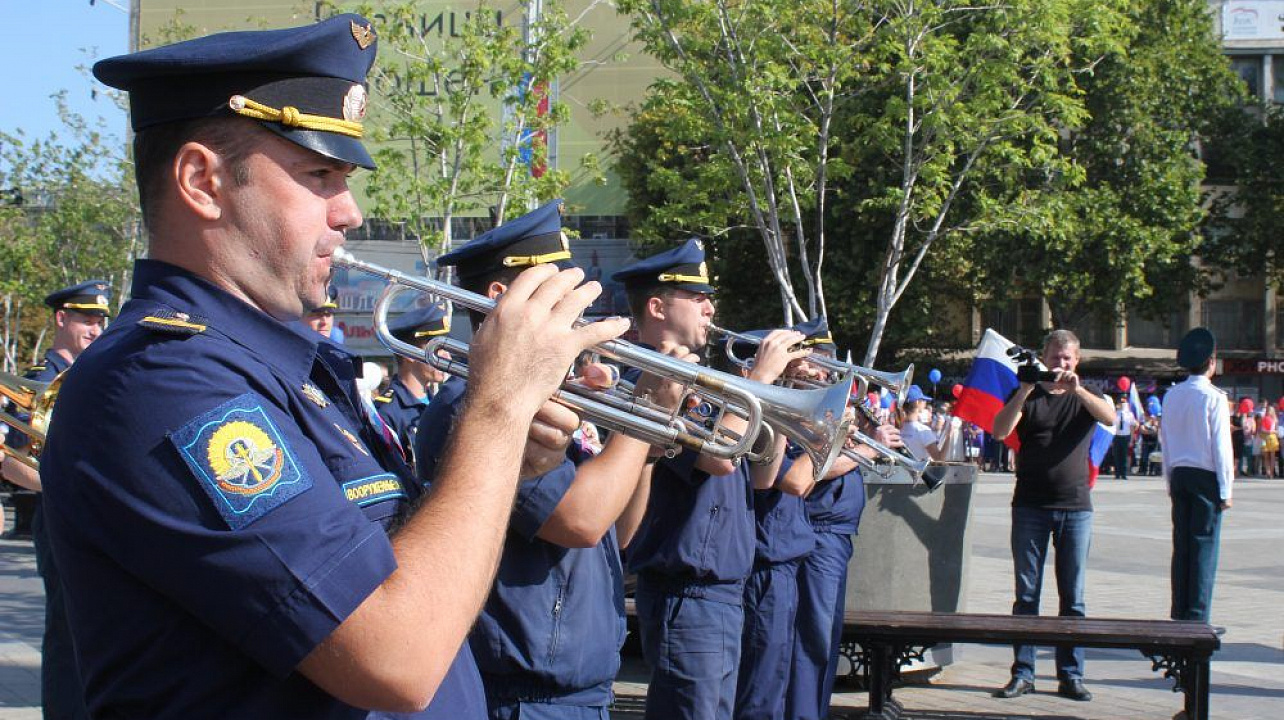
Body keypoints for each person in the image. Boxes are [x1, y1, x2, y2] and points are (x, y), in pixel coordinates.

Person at [42, 16, 629, 719]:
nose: (349, 211)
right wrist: (497, 411)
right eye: (319, 174)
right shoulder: (159, 381)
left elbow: (389, 563)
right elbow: (396, 658)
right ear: (202, 181)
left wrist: (507, 464)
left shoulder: (291, 368)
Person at [412, 199, 690, 720]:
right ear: (503, 296)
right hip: (523, 697)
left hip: (579, 690)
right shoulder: (470, 406)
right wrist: (643, 412)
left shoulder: (550, 398)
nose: (578, 309)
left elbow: (617, 531)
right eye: (560, 291)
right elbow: (579, 521)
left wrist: (648, 444)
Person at [613, 239, 800, 720]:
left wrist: (776, 403)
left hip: (723, 589)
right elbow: (718, 457)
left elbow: (763, 476)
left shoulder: (701, 378)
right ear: (657, 306)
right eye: (698, 299)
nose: (710, 308)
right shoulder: (648, 381)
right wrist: (759, 379)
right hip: (686, 591)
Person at [781, 319, 902, 720]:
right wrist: (868, 451)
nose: (821, 370)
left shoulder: (826, 404)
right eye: (813, 361)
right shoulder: (793, 404)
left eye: (826, 360)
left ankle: (811, 709)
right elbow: (811, 470)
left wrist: (863, 434)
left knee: (824, 636)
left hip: (835, 534)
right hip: (814, 531)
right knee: (812, 636)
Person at [1, 280, 111, 720]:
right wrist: (64, 486)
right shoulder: (37, 381)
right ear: (62, 319)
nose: (95, 329)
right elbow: (9, 460)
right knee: (68, 632)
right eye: (86, 319)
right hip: (59, 514)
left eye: (101, 320)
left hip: (97, 519)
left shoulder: (95, 376)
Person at [990, 329, 1116, 702]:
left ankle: (1070, 674)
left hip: (1075, 507)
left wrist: (1077, 389)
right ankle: (1023, 673)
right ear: (1045, 357)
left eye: (1067, 358)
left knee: (1072, 597)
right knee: (1026, 595)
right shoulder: (1027, 392)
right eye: (1055, 357)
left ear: (1077, 361)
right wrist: (1027, 390)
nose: (1061, 364)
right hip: (1030, 504)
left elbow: (1109, 417)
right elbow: (999, 431)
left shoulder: (1085, 396)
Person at [1160, 328, 1234, 624]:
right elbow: (1221, 446)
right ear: (1212, 362)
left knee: (1182, 546)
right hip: (1206, 476)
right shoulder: (1213, 397)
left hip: (1179, 474)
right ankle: (1197, 614)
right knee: (1204, 546)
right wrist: (1226, 490)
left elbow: (1167, 441)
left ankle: (1179, 611)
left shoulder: (1172, 395)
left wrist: (1169, 480)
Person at [374, 302, 450, 464]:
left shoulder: (437, 402)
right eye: (437, 348)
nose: (447, 356)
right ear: (410, 354)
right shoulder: (387, 411)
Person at [898, 385, 944, 462]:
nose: (925, 402)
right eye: (923, 400)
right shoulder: (923, 430)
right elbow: (938, 458)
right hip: (921, 472)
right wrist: (949, 434)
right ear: (917, 402)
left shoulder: (899, 428)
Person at [1111, 395, 1136, 480]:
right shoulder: (1115, 413)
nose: (1122, 404)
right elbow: (1112, 426)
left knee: (1124, 456)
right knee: (1117, 456)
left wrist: (1132, 439)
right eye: (1121, 402)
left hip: (1125, 436)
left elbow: (1132, 427)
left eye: (1124, 402)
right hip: (1116, 436)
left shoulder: (1129, 414)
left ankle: (1124, 474)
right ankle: (1117, 474)